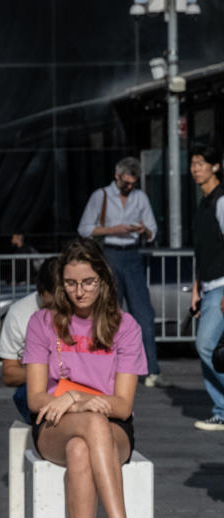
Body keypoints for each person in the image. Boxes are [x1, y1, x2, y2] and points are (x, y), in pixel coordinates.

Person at [24, 238, 160, 518]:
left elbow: (123, 406)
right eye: (70, 283)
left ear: (103, 280)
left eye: (87, 282)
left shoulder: (126, 327)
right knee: (88, 427)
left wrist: (78, 396)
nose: (79, 291)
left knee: (83, 448)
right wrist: (72, 402)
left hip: (111, 426)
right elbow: (36, 397)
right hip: (55, 421)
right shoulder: (42, 323)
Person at [77, 157, 163, 387]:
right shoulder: (101, 196)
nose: (129, 187)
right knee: (109, 312)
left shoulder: (140, 197)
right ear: (117, 176)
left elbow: (153, 230)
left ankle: (151, 368)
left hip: (133, 254)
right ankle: (107, 367)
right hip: (111, 253)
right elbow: (84, 228)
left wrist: (143, 230)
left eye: (133, 183)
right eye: (126, 183)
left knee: (143, 313)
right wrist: (113, 230)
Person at [0, 257, 59, 424]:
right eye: (50, 305)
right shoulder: (20, 312)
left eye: (62, 305)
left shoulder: (81, 310)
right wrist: (46, 373)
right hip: (34, 388)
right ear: (41, 293)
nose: (54, 313)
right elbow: (9, 374)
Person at [189, 145, 224, 431]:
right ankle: (221, 410)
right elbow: (203, 251)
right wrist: (197, 289)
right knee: (211, 348)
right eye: (192, 164)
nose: (195, 168)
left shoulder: (222, 201)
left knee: (206, 346)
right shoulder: (203, 203)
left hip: (223, 287)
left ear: (215, 166)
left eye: (200, 163)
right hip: (209, 288)